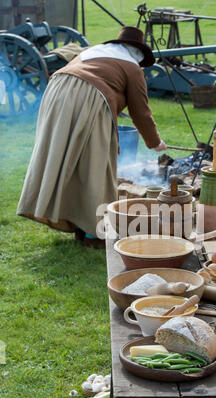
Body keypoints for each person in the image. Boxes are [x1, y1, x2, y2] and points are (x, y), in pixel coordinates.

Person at [17, 26, 167, 248]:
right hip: (89, 97)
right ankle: (93, 233)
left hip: (56, 92)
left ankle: (76, 222)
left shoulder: (93, 52)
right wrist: (155, 142)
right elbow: (140, 111)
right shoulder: (132, 67)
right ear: (138, 53)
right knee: (97, 164)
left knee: (65, 158)